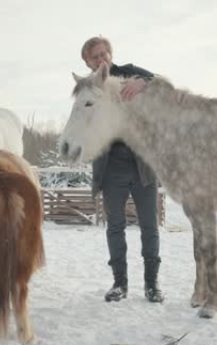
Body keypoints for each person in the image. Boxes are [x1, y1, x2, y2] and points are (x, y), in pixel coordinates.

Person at [80, 36, 164, 303]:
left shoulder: (131, 73)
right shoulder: (87, 89)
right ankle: (120, 284)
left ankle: (152, 285)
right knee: (115, 227)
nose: (102, 58)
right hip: (110, 165)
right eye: (95, 56)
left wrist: (144, 83)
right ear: (87, 62)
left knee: (149, 227)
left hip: (143, 163)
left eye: (105, 53)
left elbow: (163, 85)